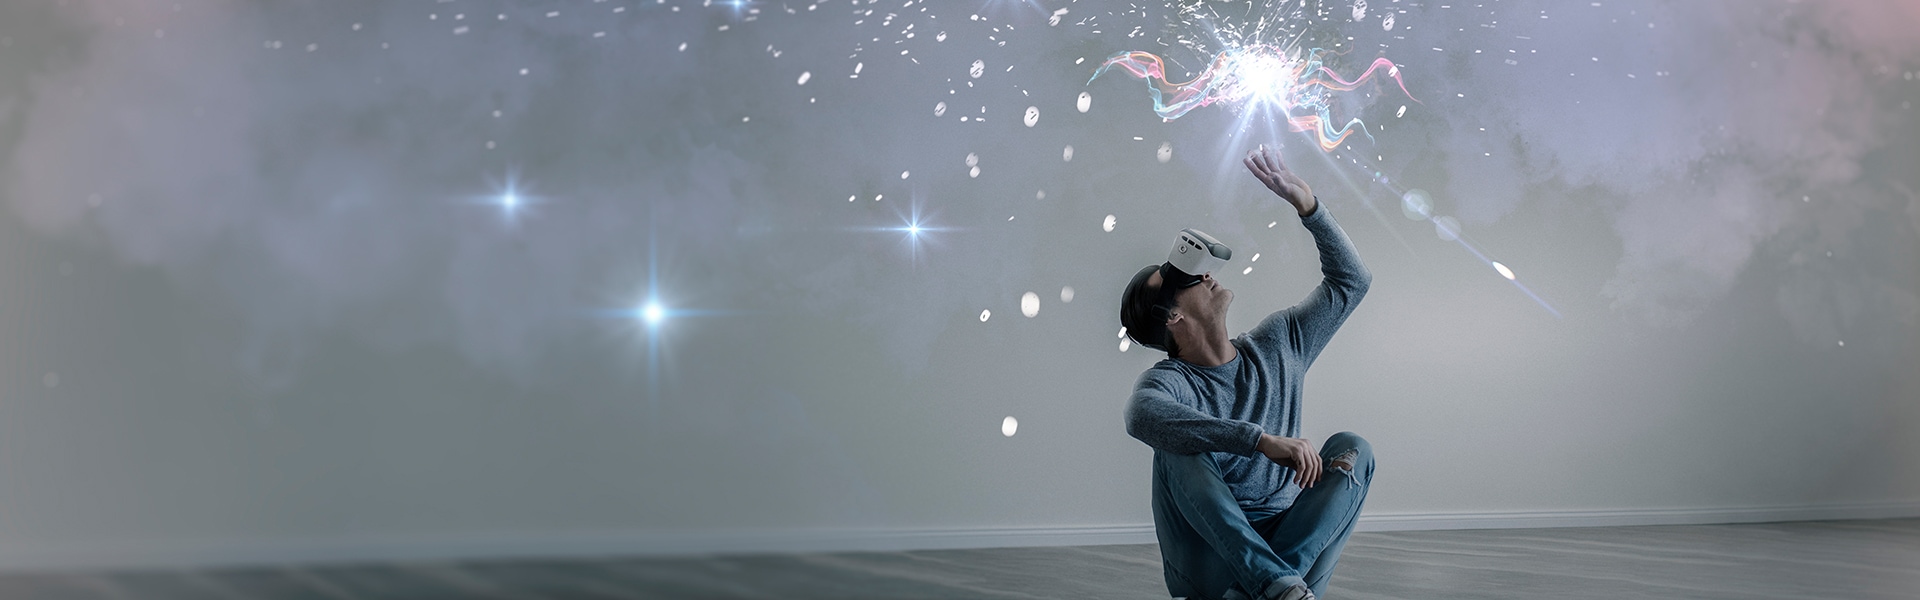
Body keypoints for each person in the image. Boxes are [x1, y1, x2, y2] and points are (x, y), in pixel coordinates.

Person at [1118, 145, 1375, 600]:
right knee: (1177, 445)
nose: (1207, 276)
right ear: (1172, 318)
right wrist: (1257, 439)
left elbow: (1351, 282)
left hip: (1288, 552)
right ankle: (1270, 584)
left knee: (1354, 449)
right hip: (1209, 559)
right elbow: (1140, 416)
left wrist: (1309, 208)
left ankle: (1271, 586)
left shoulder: (1278, 342)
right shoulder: (1170, 383)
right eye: (1187, 279)